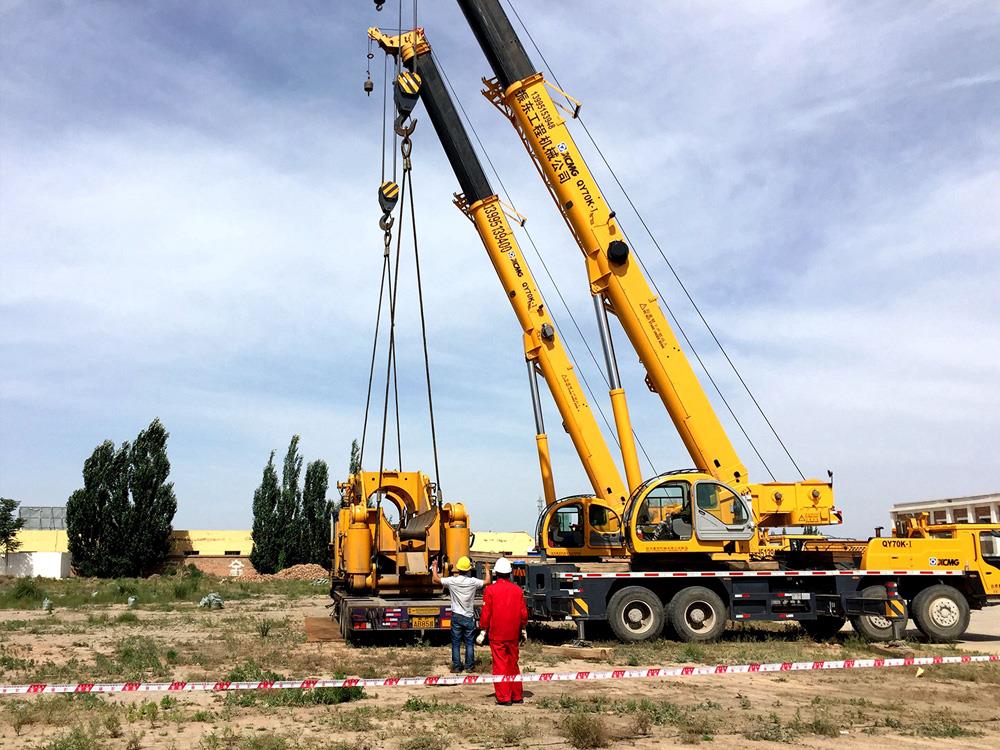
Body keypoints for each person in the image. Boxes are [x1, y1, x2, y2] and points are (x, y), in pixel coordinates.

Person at [476, 556, 528, 705]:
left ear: (496, 573)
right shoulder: (517, 590)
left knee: (500, 665)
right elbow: (523, 613)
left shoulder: (490, 590)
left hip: (497, 634)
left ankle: (504, 697)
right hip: (513, 634)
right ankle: (517, 695)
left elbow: (486, 613)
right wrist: (523, 628)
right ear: (509, 573)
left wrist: (483, 629)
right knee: (513, 663)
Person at [432, 555, 489, 673]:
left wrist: (434, 567)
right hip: (468, 616)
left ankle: (457, 667)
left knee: (456, 643)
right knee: (469, 643)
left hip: (456, 616)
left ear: (458, 569)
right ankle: (469, 666)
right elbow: (487, 582)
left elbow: (436, 579)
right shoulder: (473, 582)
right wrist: (487, 570)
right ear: (468, 569)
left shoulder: (452, 580)